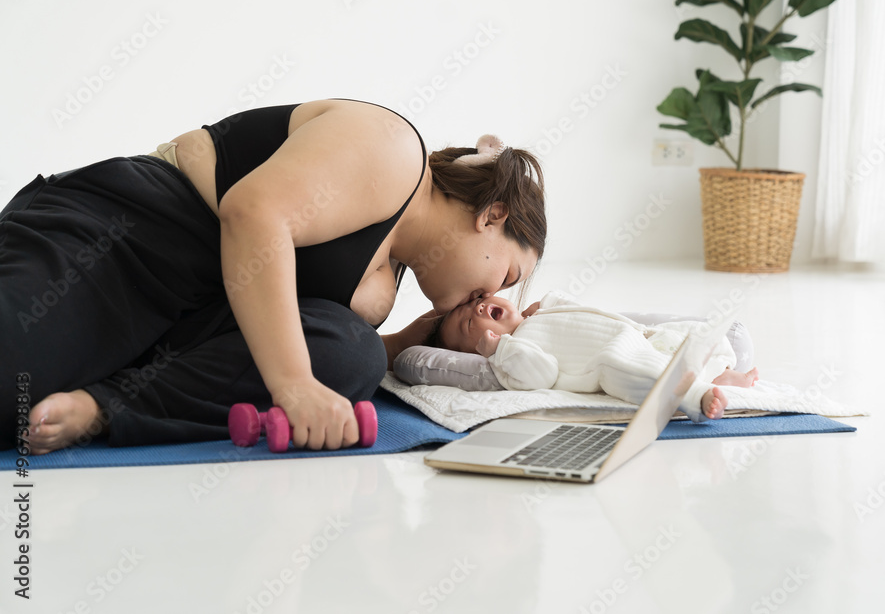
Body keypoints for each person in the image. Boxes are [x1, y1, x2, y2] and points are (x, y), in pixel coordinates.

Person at [0, 98, 545, 454]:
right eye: (510, 272)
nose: (496, 293)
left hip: (188, 320)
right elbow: (254, 214)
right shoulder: (393, 148)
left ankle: (103, 408)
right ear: (492, 216)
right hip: (133, 238)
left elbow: (280, 317)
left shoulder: (391, 277)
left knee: (353, 352)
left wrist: (412, 341)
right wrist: (294, 386)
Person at [430, 290, 760, 422]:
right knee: (638, 370)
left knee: (690, 337)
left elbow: (582, 309)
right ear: (478, 346)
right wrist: (499, 350)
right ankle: (696, 394)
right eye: (470, 321)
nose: (480, 308)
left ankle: (720, 371)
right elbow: (540, 375)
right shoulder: (514, 351)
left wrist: (548, 303)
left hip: (638, 335)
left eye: (478, 302)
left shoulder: (537, 316)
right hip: (607, 357)